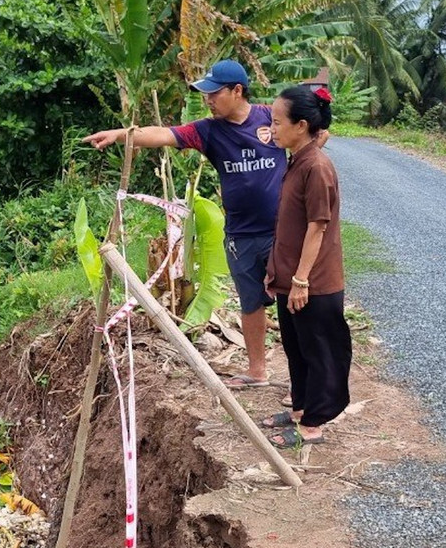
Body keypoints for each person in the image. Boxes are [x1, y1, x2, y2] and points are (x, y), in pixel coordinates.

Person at [82, 59, 283, 389]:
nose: (208, 99)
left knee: (290, 304)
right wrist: (121, 135)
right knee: (251, 302)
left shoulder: (270, 117)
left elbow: (310, 131)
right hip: (240, 233)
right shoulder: (208, 130)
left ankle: (305, 383)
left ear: (237, 91)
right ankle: (258, 371)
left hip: (281, 231)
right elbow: (163, 134)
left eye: (214, 93)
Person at [261, 84, 350, 448]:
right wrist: (279, 274)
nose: (273, 129)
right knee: (295, 347)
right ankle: (300, 408)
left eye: (278, 122)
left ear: (301, 126)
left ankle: (313, 424)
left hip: (314, 282)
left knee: (318, 350)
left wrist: (300, 280)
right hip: (291, 279)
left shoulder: (317, 167)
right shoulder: (298, 158)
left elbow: (318, 226)